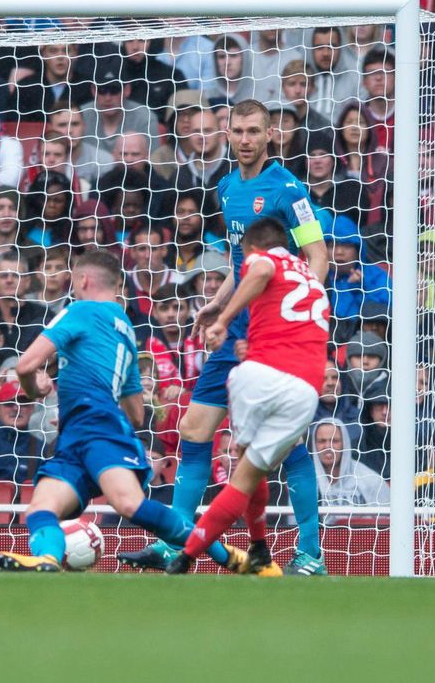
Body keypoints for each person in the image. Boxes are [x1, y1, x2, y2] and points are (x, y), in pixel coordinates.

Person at [117, 99, 330, 576]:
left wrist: (305, 316)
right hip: (236, 329)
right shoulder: (226, 187)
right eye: (238, 131)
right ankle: (177, 545)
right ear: (226, 135)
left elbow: (317, 255)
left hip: (275, 335)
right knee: (194, 430)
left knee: (289, 447)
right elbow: (247, 263)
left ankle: (310, 554)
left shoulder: (290, 190)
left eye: (256, 131)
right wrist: (218, 303)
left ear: (271, 135)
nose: (247, 139)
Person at [0, 250, 253, 573]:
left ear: (83, 280)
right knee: (41, 508)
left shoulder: (79, 310)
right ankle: (47, 559)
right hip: (82, 432)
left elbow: (26, 364)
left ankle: (227, 556)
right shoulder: (127, 331)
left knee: (127, 503)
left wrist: (37, 388)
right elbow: (136, 414)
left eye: (73, 280)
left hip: (93, 426)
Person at [162, 217, 328, 574]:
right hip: (304, 388)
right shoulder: (311, 276)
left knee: (241, 472)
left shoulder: (262, 258)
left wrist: (223, 317)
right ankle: (261, 549)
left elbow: (261, 269)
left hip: (258, 377)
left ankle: (185, 555)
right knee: (250, 473)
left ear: (249, 249)